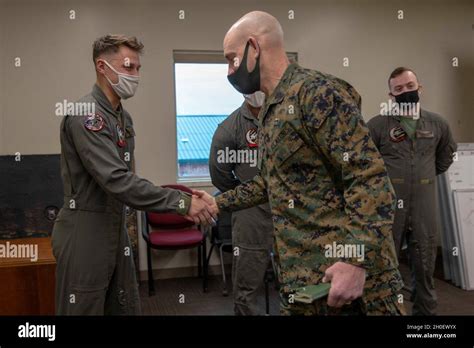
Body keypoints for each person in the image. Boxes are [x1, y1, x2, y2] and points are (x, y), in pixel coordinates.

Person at [196, 11, 405, 315]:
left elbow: (369, 178)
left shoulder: (317, 92)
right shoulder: (271, 108)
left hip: (347, 280)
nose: (230, 70)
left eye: (231, 58)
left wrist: (354, 260)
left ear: (253, 47)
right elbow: (270, 181)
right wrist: (217, 204)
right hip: (303, 279)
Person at [52, 34, 215, 315]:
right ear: (102, 67)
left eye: (138, 68)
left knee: (125, 307)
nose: (135, 75)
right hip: (86, 231)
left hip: (116, 229)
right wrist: (183, 202)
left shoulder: (122, 118)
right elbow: (117, 180)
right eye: (128, 67)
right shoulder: (86, 115)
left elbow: (128, 177)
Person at [367, 67, 457, 315]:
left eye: (409, 86)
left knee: (425, 266)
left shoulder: (438, 124)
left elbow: (444, 158)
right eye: (399, 89)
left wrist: (420, 179)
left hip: (424, 206)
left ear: (419, 87)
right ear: (391, 95)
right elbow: (364, 165)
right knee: (385, 269)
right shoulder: (377, 125)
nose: (405, 92)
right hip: (389, 207)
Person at [209, 91, 273, 315]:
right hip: (250, 212)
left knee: (300, 280)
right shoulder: (230, 128)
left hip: (291, 209)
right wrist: (244, 195)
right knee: (247, 286)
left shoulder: (288, 116)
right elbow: (219, 175)